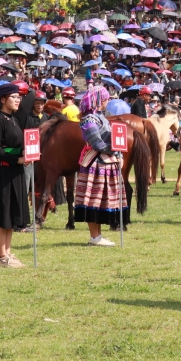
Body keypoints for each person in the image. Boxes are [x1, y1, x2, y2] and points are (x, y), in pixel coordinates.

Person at [76, 85, 126, 246]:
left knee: (101, 200)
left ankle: (98, 236)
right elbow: (96, 142)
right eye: (105, 99)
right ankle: (94, 237)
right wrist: (116, 150)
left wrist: (119, 152)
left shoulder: (100, 117)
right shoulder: (89, 119)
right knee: (93, 200)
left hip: (105, 162)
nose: (107, 101)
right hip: (95, 164)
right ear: (98, 100)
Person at [0, 83, 29, 267]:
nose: (17, 99)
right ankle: (1, 256)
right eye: (13, 97)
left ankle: (9, 254)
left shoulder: (14, 119)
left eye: (19, 97)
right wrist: (16, 159)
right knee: (1, 212)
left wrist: (28, 154)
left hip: (15, 169)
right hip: (2, 170)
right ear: (3, 99)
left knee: (11, 213)